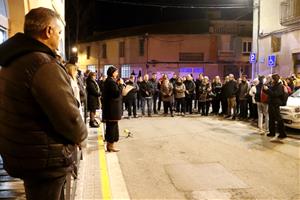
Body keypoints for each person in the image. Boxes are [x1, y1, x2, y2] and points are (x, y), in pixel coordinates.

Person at [0, 7, 87, 200]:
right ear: (48, 31)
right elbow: (69, 117)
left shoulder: (12, 60)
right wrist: (82, 134)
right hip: (45, 159)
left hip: (25, 152)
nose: (58, 37)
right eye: (58, 32)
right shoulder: (42, 64)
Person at [102, 66, 124, 152]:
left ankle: (111, 145)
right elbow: (116, 93)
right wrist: (121, 84)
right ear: (112, 73)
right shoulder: (110, 82)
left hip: (111, 109)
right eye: (116, 72)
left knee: (112, 127)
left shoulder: (110, 81)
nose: (117, 73)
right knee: (111, 128)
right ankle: (110, 146)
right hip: (112, 109)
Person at [263, 74, 287, 139]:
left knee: (278, 119)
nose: (271, 80)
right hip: (271, 103)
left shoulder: (280, 86)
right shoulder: (274, 85)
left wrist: (267, 90)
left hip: (275, 104)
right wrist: (265, 88)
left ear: (275, 79)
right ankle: (272, 132)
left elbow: (275, 94)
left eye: (272, 79)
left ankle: (282, 133)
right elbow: (269, 92)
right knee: (271, 118)